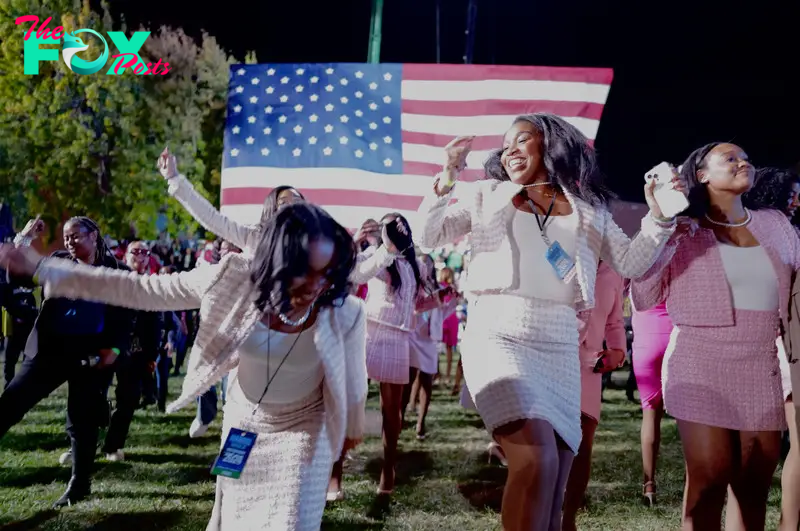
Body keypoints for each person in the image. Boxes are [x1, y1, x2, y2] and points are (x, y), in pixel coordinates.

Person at [0, 203, 367, 530]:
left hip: (303, 431)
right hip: (245, 420)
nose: (318, 286)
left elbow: (352, 384)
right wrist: (44, 269)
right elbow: (138, 289)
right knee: (234, 517)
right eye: (307, 272)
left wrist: (352, 421)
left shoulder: (345, 313)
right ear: (276, 262)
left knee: (289, 522)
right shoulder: (229, 279)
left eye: (328, 272)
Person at [417, 113, 680, 531]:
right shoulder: (487, 194)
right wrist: (448, 175)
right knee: (534, 457)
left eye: (522, 140)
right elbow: (427, 236)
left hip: (560, 343)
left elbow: (632, 261)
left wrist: (660, 218)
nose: (510, 150)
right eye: (506, 146)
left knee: (555, 472)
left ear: (551, 145)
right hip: (498, 332)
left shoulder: (589, 211)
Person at [632, 144, 800, 531]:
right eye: (730, 158)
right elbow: (642, 293)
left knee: (753, 487)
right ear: (702, 175)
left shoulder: (776, 225)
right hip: (700, 362)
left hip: (761, 366)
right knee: (709, 479)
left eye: (746, 158)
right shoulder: (683, 231)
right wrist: (659, 221)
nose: (743, 162)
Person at [0, 216, 133, 508]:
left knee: (82, 421)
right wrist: (24, 237)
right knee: (10, 402)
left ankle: (79, 484)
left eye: (76, 235)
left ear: (94, 235)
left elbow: (125, 320)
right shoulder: (59, 261)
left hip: (90, 357)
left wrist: (115, 349)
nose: (70, 241)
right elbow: (16, 274)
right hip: (48, 351)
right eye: (66, 236)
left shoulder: (117, 272)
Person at [742, 166, 800, 531]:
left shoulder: (765, 229)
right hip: (779, 342)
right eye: (793, 192)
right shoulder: (777, 231)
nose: (798, 200)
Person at [562, 260, 626, 531]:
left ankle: (568, 521)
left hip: (589, 367)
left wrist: (618, 352)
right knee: (551, 444)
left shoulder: (614, 270)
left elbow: (615, 322)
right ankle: (544, 512)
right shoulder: (557, 252)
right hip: (553, 358)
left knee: (582, 446)